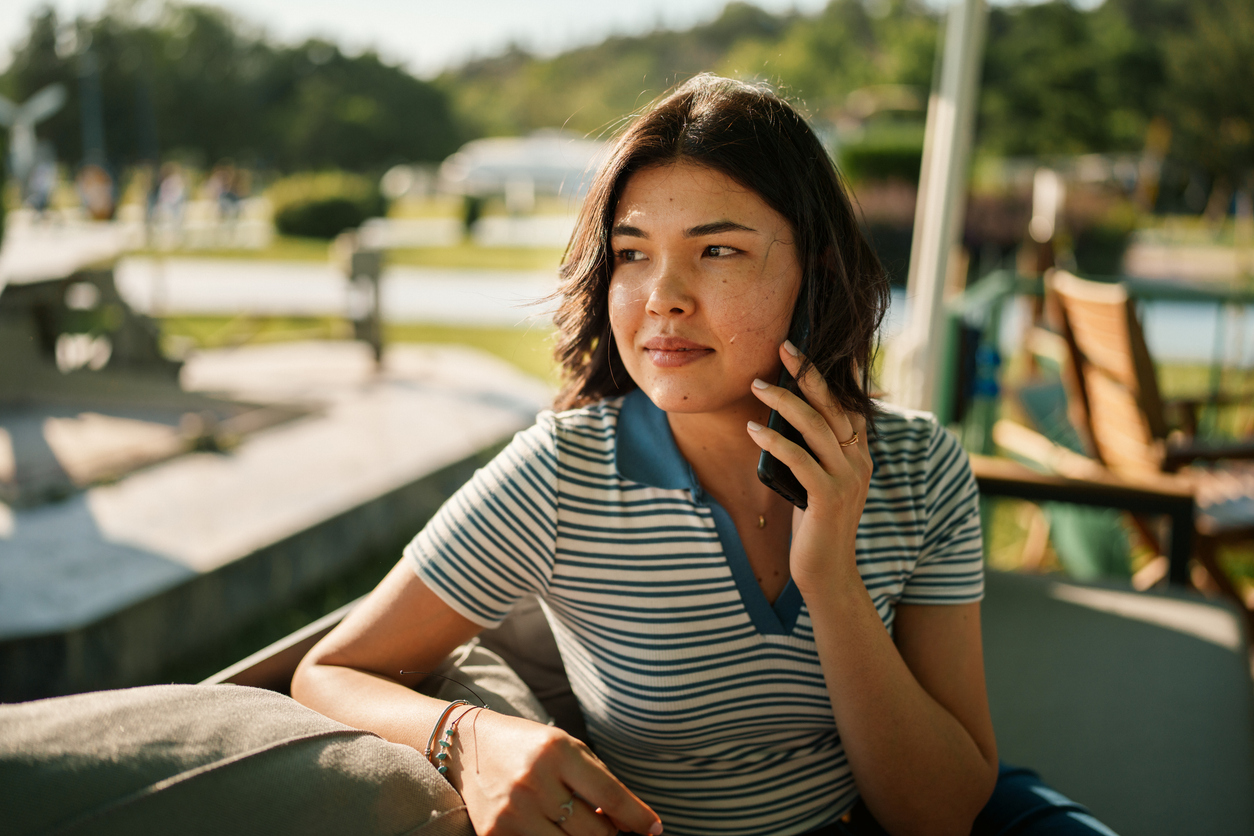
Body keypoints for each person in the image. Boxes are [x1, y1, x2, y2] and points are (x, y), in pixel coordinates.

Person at [292, 76, 1112, 836]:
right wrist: (467, 741)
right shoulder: (560, 476)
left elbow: (938, 814)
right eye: (633, 252)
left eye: (718, 251)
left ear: (813, 272)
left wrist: (829, 577)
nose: (663, 298)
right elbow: (329, 671)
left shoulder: (919, 467)